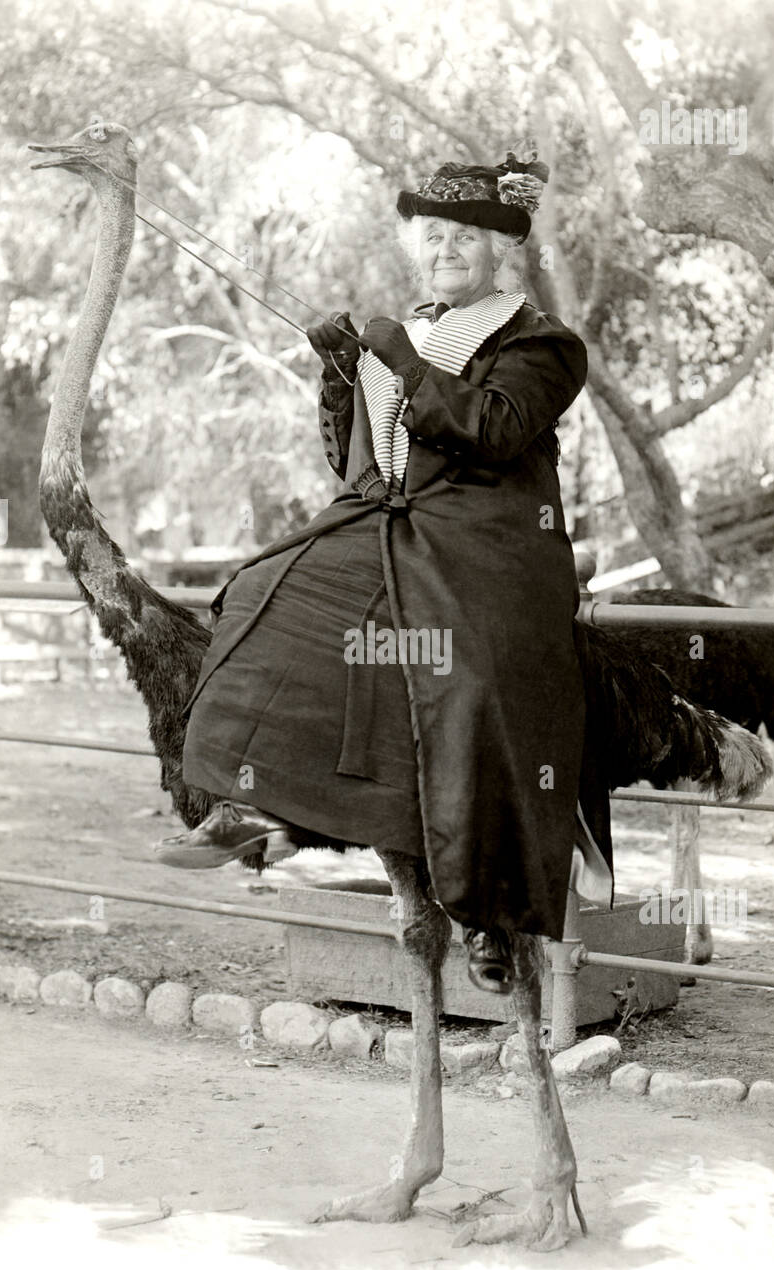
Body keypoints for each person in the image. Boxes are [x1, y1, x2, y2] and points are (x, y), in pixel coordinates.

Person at [157, 153, 612, 992]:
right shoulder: (405, 333)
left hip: (491, 546)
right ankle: (258, 805)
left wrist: (399, 358)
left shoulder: (541, 344)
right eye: (433, 236)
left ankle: (490, 904)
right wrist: (338, 377)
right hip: (392, 526)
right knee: (263, 594)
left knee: (469, 679)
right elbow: (359, 465)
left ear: (501, 249)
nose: (446, 251)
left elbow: (493, 428)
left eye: (464, 238)